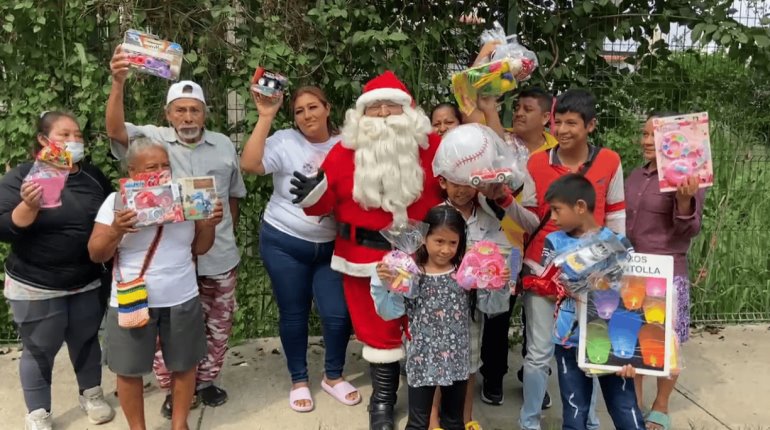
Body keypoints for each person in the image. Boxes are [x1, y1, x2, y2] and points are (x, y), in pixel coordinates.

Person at [290, 70, 443, 430]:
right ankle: (382, 403)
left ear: (409, 110)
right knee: (377, 334)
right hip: (362, 259)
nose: (386, 113)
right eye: (376, 107)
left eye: (393, 105)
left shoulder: (432, 148)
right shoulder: (344, 153)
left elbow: (459, 188)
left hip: (424, 258)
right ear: (362, 114)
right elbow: (321, 204)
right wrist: (312, 193)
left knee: (423, 331)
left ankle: (423, 407)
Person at [106, 45, 247, 416]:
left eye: (195, 109)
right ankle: (173, 389)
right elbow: (116, 130)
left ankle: (206, 381)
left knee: (218, 324)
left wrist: (223, 230)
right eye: (180, 110)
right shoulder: (152, 140)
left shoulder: (223, 147)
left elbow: (233, 197)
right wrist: (118, 83)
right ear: (168, 114)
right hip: (171, 262)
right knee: (166, 335)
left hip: (218, 254)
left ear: (204, 113)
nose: (188, 116)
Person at [480, 89, 626, 430]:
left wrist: (616, 269)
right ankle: (529, 421)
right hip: (542, 272)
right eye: (558, 121)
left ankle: (588, 420)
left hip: (594, 277)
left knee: (590, 351)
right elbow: (532, 221)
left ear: (591, 125)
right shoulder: (536, 163)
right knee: (538, 352)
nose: (562, 129)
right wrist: (503, 200)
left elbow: (617, 218)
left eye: (571, 123)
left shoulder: (610, 161)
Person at [88, 137, 223, 430]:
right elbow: (96, 252)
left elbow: (200, 248)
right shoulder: (117, 202)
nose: (161, 172)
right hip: (132, 298)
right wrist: (116, 230)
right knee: (128, 369)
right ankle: (138, 427)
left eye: (165, 165)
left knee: (185, 364)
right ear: (133, 172)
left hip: (181, 296)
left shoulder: (185, 197)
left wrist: (208, 225)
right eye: (152, 167)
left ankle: (179, 424)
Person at [239, 86, 359, 412]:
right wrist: (266, 116)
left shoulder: (348, 143)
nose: (307, 115)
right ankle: (299, 379)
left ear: (327, 107)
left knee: (337, 315)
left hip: (332, 247)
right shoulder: (284, 141)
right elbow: (249, 164)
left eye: (313, 107)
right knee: (294, 314)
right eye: (299, 111)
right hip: (284, 242)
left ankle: (333, 376)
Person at [0, 111, 115, 430]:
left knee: (88, 340)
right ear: (42, 140)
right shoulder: (23, 177)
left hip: (86, 281)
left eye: (77, 135)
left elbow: (108, 217)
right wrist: (29, 207)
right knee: (39, 348)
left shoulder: (92, 177)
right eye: (64, 135)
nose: (73, 141)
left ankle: (91, 393)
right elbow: (3, 226)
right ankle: (38, 412)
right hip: (35, 284)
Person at [372, 206, 509, 430]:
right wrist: (382, 283)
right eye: (439, 241)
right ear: (424, 238)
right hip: (421, 360)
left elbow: (491, 306)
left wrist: (497, 283)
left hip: (456, 361)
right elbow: (390, 312)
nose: (445, 250)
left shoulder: (466, 273)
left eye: (453, 243)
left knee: (454, 421)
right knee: (418, 423)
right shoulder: (411, 274)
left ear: (461, 242)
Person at [541, 173, 644, 429]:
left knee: (624, 407)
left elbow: (636, 293)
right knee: (575, 412)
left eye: (556, 210)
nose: (552, 218)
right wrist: (572, 286)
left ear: (580, 206)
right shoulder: (553, 242)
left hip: (613, 340)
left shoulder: (618, 242)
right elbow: (550, 285)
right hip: (569, 341)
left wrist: (635, 354)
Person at [478, 87, 559, 408]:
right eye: (518, 108)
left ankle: (534, 373)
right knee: (498, 313)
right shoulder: (506, 142)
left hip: (544, 247)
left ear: (546, 117)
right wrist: (489, 109)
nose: (520, 113)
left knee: (540, 317)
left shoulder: (556, 152)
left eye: (528, 109)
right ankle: (493, 376)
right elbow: (495, 140)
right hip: (506, 244)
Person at [626, 113, 705, 430]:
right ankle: (632, 404)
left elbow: (690, 230)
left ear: (675, 142)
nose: (646, 141)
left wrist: (684, 202)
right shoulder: (636, 175)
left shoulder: (689, 177)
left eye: (654, 136)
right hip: (633, 270)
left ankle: (660, 406)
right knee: (632, 341)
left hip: (668, 271)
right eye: (644, 134)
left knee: (664, 342)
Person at [428, 161, 512, 430]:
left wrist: (498, 272)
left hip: (472, 304)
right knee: (437, 361)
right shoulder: (436, 215)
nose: (461, 190)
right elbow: (423, 255)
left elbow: (499, 256)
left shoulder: (488, 218)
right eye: (455, 182)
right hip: (437, 303)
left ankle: (466, 418)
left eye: (467, 183)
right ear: (443, 182)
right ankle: (432, 420)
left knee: (470, 361)